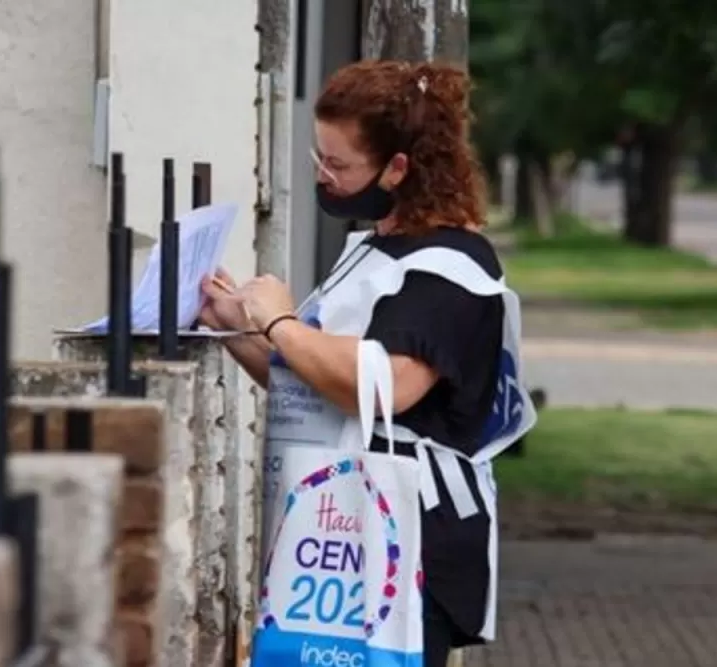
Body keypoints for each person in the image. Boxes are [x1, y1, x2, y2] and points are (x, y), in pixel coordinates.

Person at [198, 59, 533, 667]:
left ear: (398, 168)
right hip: (343, 530)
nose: (323, 177)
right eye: (318, 158)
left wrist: (278, 320)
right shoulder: (377, 248)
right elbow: (316, 382)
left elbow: (385, 387)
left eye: (339, 165)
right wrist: (232, 327)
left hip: (410, 538)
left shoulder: (452, 266)